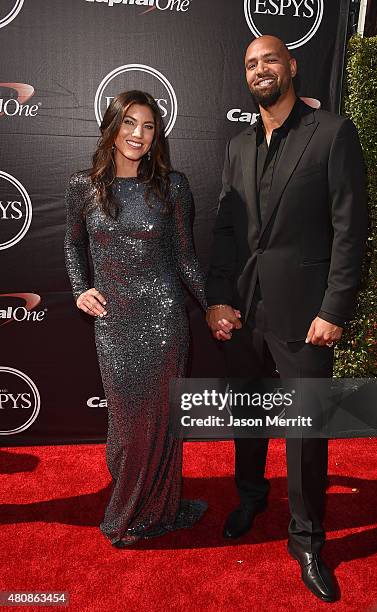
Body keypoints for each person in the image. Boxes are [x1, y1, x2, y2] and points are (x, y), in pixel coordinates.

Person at [205, 36, 368, 602]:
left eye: (269, 59)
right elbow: (226, 231)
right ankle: (250, 496)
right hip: (246, 308)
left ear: (292, 65)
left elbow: (351, 229)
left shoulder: (332, 134)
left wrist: (334, 308)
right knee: (247, 414)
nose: (260, 69)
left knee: (306, 434)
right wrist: (219, 298)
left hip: (307, 314)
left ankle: (307, 539)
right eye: (250, 63)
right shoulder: (238, 145)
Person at [64, 90, 208, 548]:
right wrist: (79, 288)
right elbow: (72, 244)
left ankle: (155, 509)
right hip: (115, 323)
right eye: (129, 123)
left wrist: (213, 305)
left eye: (148, 127)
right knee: (126, 428)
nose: (138, 135)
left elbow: (185, 257)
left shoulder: (173, 186)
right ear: (112, 128)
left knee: (163, 422)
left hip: (165, 320)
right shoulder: (82, 187)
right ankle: (134, 502)